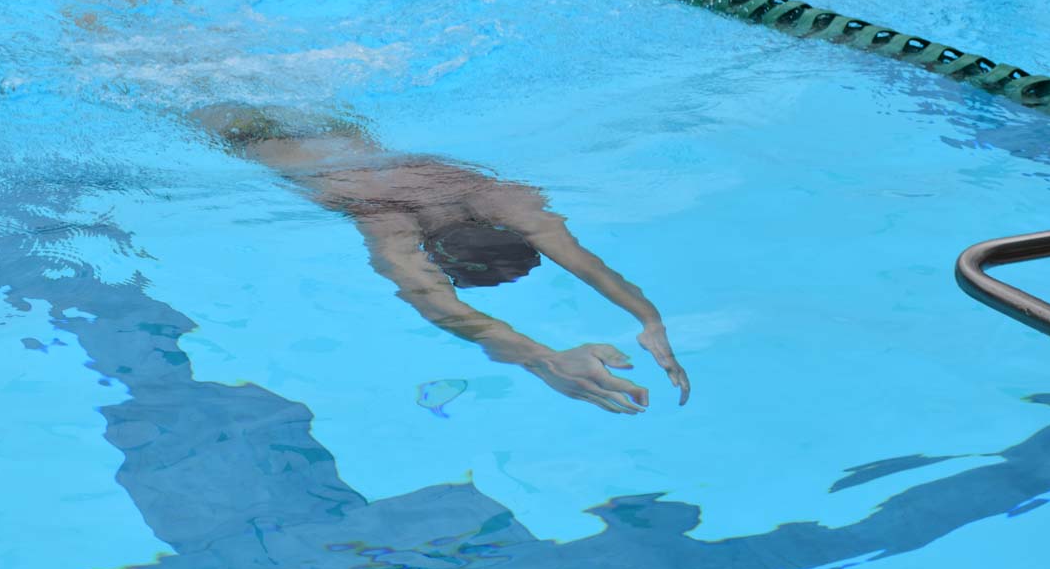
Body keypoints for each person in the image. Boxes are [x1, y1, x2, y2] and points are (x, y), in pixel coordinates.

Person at [190, 103, 690, 414]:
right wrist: (542, 360)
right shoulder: (383, 217)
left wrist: (649, 318)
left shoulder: (492, 195)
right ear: (438, 257)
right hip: (242, 133)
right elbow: (438, 305)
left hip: (329, 117)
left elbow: (581, 259)